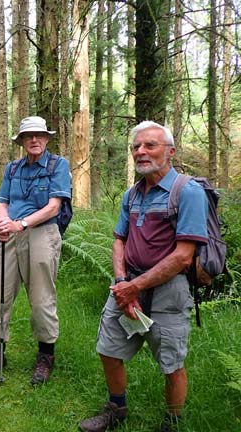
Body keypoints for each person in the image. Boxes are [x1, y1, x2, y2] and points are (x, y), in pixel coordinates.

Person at [79, 121, 209, 432]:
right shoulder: (132, 194)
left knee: (171, 362)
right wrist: (124, 282)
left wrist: (133, 287)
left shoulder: (187, 192)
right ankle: (116, 408)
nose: (140, 151)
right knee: (108, 347)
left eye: (150, 145)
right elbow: (118, 239)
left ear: (170, 151)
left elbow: (182, 256)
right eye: (136, 147)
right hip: (128, 284)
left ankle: (172, 423)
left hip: (169, 290)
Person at [0, 116, 71, 386]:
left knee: (40, 300)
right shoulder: (13, 168)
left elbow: (53, 207)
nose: (34, 140)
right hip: (10, 236)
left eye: (38, 135)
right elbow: (2, 201)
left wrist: (20, 224)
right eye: (28, 136)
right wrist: (3, 222)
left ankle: (46, 356)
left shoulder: (58, 165)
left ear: (46, 138)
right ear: (22, 142)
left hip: (42, 235)